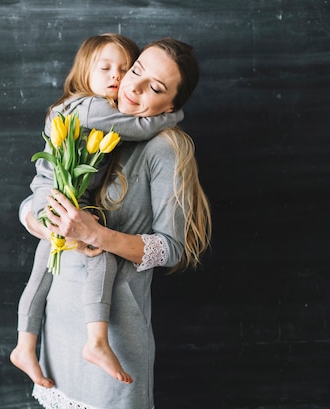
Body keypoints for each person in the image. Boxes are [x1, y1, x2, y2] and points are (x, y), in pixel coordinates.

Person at [22, 38, 212, 408]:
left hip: (116, 332)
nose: (133, 86)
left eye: (155, 88)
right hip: (60, 314)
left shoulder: (163, 148)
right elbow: (36, 195)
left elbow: (171, 249)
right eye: (136, 70)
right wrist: (41, 221)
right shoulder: (99, 123)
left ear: (171, 105)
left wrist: (96, 234)